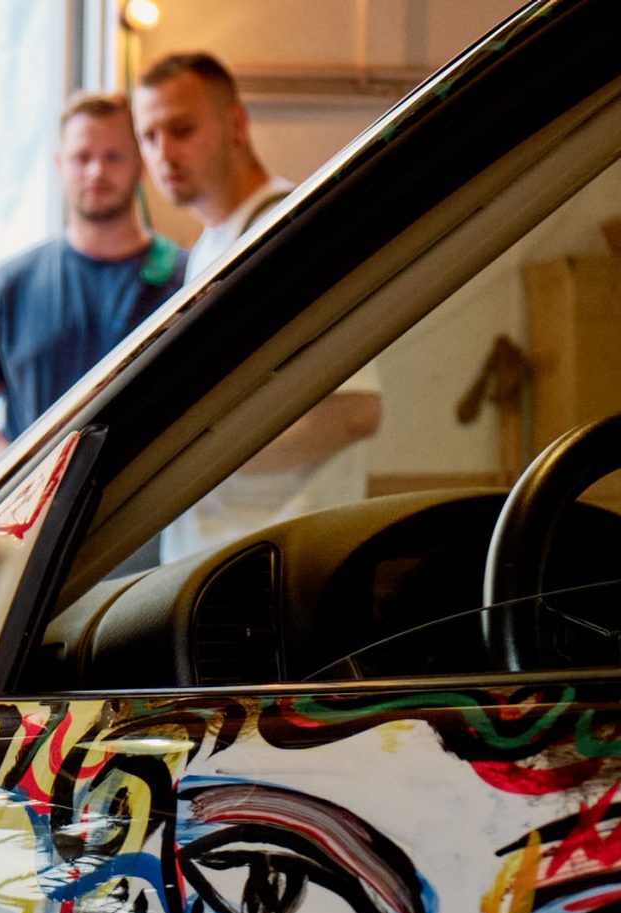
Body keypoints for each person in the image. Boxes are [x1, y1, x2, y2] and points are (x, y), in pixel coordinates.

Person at [135, 51, 382, 560]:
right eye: (149, 137)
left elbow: (354, 413)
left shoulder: (293, 233)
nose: (164, 154)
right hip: (209, 561)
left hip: (279, 566)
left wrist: (189, 462)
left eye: (181, 130)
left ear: (237, 124)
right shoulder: (209, 248)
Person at [0, 93, 186, 467]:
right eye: (82, 158)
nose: (96, 171)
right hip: (36, 521)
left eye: (113, 156)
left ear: (140, 165)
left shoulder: (187, 281)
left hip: (158, 516)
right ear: (59, 164)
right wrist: (18, 474)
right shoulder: (9, 286)